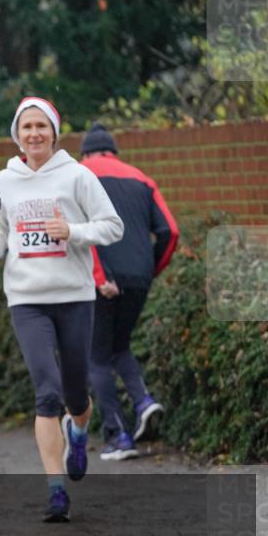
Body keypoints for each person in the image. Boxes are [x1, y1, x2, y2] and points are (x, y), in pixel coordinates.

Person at [0, 98, 123, 523]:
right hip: (27, 299)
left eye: (41, 126)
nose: (34, 133)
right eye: (27, 127)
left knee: (76, 395)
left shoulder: (78, 175)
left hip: (74, 297)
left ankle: (79, 431)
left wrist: (72, 231)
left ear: (54, 132)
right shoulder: (5, 179)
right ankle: (56, 490)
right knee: (47, 393)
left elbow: (113, 226)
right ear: (17, 135)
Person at [79, 123, 178, 460]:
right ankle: (144, 401)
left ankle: (118, 435)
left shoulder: (79, 175)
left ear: (86, 152)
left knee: (96, 357)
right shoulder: (142, 178)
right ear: (113, 150)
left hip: (101, 280)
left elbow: (80, 233)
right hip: (139, 276)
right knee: (119, 346)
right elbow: (171, 232)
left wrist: (99, 276)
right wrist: (151, 269)